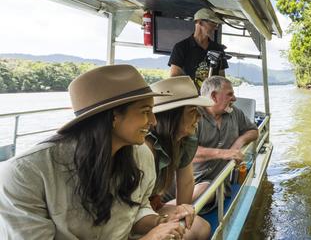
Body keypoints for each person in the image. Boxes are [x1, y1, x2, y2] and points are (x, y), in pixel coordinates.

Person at [0, 65, 185, 239]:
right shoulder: (26, 174)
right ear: (113, 117)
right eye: (145, 111)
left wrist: (160, 222)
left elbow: (137, 209)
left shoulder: (142, 155)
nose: (153, 121)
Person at [147, 76, 214, 240]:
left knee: (202, 228)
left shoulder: (184, 140)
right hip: (134, 215)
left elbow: (186, 181)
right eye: (193, 111)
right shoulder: (145, 147)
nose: (199, 117)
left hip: (154, 207)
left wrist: (181, 214)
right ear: (171, 117)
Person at [191, 76, 258, 203]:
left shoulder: (235, 113)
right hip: (190, 181)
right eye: (230, 94)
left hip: (218, 184)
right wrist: (224, 153)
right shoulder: (192, 116)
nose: (234, 98)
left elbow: (253, 131)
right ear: (214, 96)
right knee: (202, 189)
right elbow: (186, 153)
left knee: (206, 188)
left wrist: (239, 142)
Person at [169, 8, 229, 87]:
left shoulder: (218, 49)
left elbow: (221, 78)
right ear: (200, 22)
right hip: (190, 97)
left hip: (210, 98)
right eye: (213, 23)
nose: (215, 27)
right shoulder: (181, 47)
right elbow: (174, 77)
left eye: (216, 24)